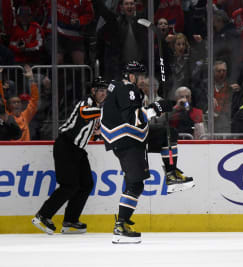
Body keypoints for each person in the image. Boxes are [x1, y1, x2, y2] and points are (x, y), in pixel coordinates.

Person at [100, 61, 194, 244]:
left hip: (133, 136)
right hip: (127, 139)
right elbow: (134, 118)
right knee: (135, 185)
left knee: (168, 135)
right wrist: (158, 107)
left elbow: (134, 117)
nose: (143, 80)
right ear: (131, 76)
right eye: (140, 76)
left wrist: (168, 105)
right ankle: (121, 225)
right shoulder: (127, 88)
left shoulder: (122, 89)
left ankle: (172, 173)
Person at [31, 77, 108, 234]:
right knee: (69, 186)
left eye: (105, 91)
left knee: (86, 184)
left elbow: (92, 128)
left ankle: (70, 220)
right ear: (93, 91)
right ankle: (42, 216)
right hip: (66, 146)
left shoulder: (98, 108)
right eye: (100, 90)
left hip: (78, 149)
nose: (103, 94)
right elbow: (84, 113)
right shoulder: (85, 103)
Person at [0, 65, 39, 141]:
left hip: (26, 149)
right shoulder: (7, 115)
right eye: (14, 102)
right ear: (8, 105)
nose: (17, 104)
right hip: (11, 149)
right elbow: (1, 97)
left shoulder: (26, 115)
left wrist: (31, 79)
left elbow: (34, 100)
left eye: (18, 102)